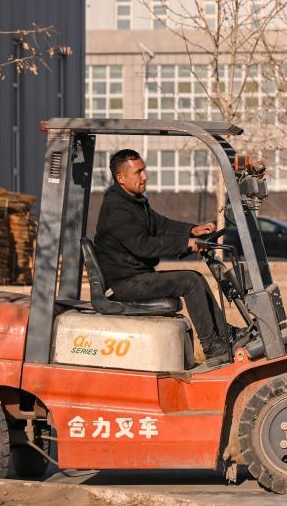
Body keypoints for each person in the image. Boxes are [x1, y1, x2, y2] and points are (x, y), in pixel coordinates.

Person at [94, 149, 231, 366]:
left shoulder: (135, 202)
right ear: (121, 178)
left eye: (144, 170)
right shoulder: (117, 209)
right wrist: (185, 244)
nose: (145, 176)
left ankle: (226, 336)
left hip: (136, 276)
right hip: (123, 283)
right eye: (138, 172)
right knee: (190, 280)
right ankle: (213, 347)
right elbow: (143, 246)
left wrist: (192, 230)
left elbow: (161, 224)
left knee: (195, 277)